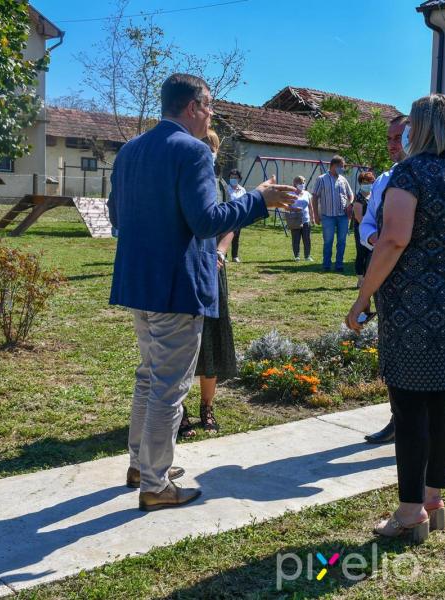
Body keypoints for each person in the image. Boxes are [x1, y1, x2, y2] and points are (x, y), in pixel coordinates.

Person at [108, 73, 295, 511]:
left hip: (139, 281)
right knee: (168, 387)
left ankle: (141, 463)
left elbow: (118, 213)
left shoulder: (131, 149)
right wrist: (258, 200)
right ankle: (154, 484)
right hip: (176, 286)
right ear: (192, 106)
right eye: (209, 106)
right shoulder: (192, 152)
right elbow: (207, 221)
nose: (211, 114)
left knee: (148, 376)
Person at [346, 93, 445, 542]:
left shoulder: (411, 173)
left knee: (409, 408)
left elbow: (392, 240)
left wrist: (362, 297)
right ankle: (433, 500)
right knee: (441, 401)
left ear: (422, 129)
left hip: (413, 305)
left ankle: (410, 514)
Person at [178, 129, 237, 439]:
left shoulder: (220, 186)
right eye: (203, 146)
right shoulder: (183, 180)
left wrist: (221, 252)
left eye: (210, 147)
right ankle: (180, 411)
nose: (206, 151)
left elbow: (230, 224)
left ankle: (207, 407)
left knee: (211, 340)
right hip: (187, 269)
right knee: (183, 342)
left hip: (213, 270)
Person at [359, 113, 410, 445]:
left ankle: (414, 423)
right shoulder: (384, 180)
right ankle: (397, 418)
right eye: (389, 139)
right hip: (385, 275)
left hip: (415, 277)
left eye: (398, 138)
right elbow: (366, 224)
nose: (392, 145)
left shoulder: (421, 178)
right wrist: (376, 240)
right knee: (390, 351)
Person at [312, 155, 353, 272]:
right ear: (333, 166)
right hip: (327, 216)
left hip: (343, 216)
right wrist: (315, 214)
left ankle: (339, 264)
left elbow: (351, 195)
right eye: (341, 166)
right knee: (328, 241)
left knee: (342, 241)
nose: (342, 168)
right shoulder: (321, 179)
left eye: (343, 166)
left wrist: (349, 204)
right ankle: (326, 265)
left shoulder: (343, 179)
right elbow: (314, 197)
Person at [352, 171, 375, 287]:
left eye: (370, 182)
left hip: (372, 230)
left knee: (371, 254)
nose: (368, 184)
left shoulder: (373, 195)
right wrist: (367, 229)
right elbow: (358, 217)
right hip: (362, 230)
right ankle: (360, 279)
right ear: (361, 183)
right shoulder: (358, 198)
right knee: (361, 254)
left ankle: (367, 278)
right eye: (365, 182)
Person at [289, 175, 314, 261]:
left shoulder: (307, 193)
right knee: (296, 239)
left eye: (303, 182)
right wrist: (294, 209)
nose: (302, 184)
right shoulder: (290, 194)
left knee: (307, 238)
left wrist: (312, 217)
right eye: (300, 183)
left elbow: (310, 206)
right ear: (295, 183)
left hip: (306, 219)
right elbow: (286, 206)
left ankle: (307, 256)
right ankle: (297, 256)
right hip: (295, 219)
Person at [227, 169, 247, 262]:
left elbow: (245, 202)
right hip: (228, 215)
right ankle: (224, 255)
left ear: (239, 178)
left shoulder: (242, 190)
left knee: (236, 236)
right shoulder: (226, 188)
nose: (233, 179)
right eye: (231, 177)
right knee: (225, 235)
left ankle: (235, 256)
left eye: (235, 177)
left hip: (239, 216)